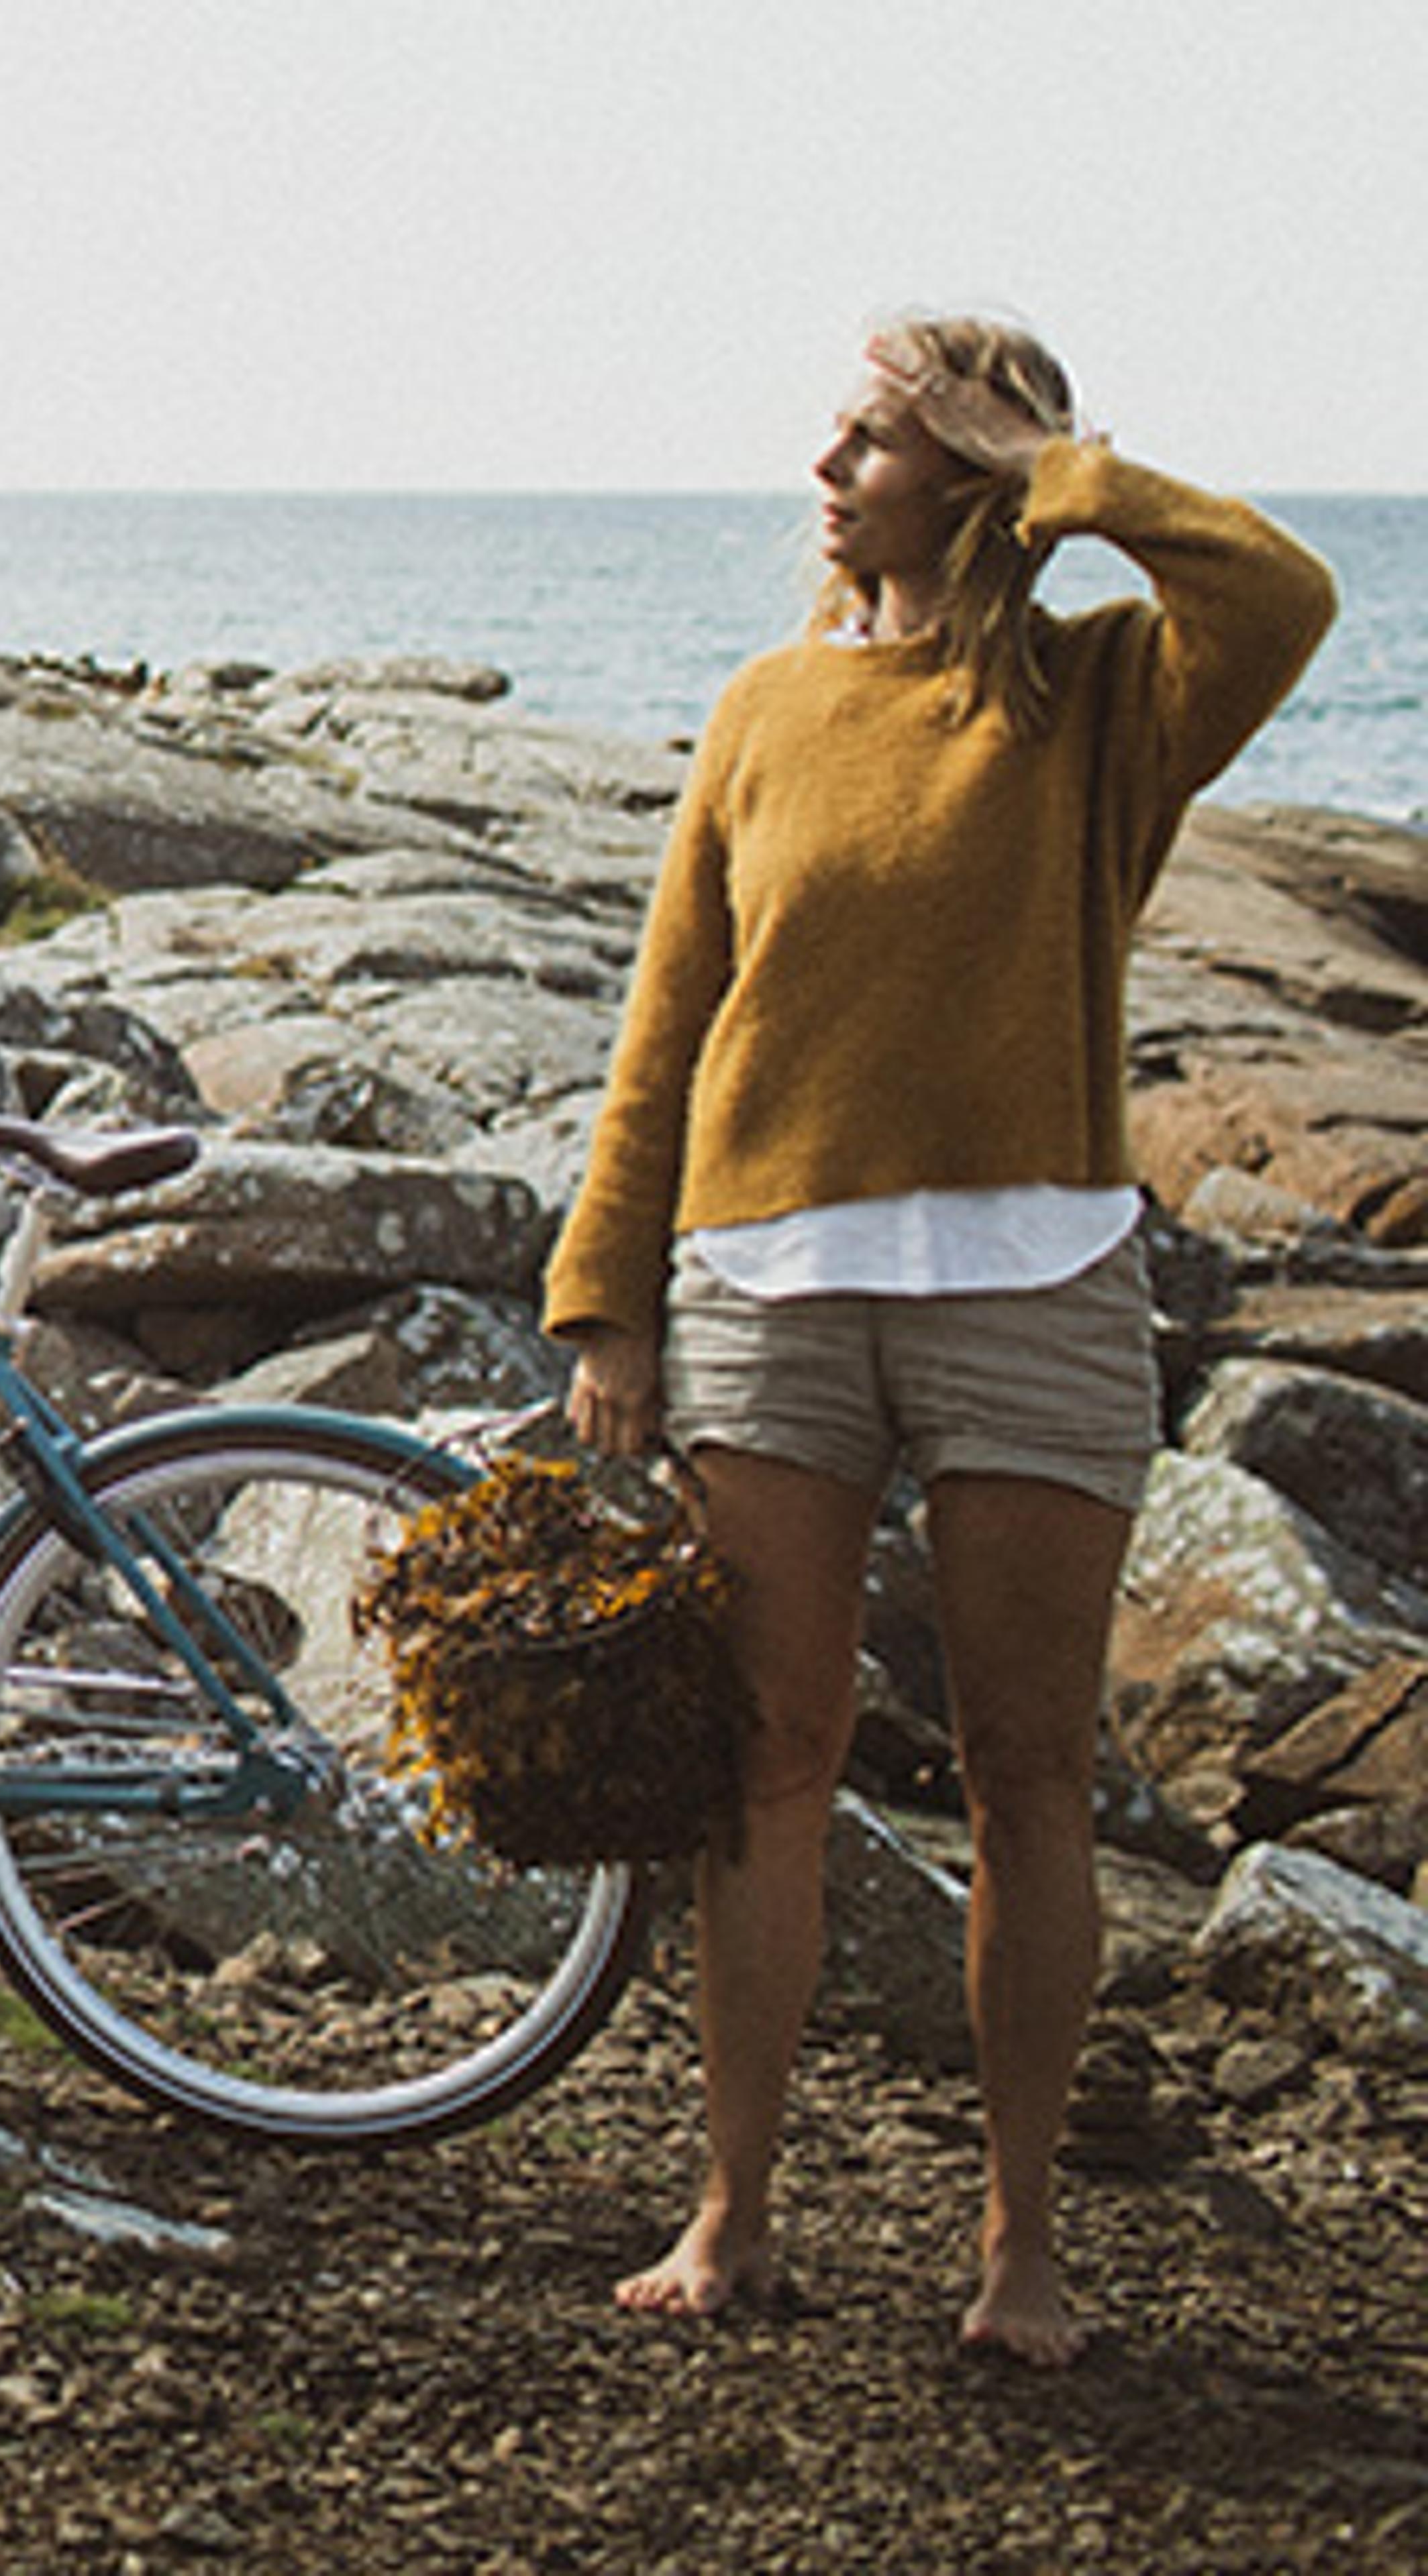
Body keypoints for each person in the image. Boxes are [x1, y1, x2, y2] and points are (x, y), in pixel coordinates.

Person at [544, 313, 1335, 2366]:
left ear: (975, 476)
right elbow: (671, 1025)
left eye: (877, 439)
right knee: (771, 1769)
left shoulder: (1098, 700)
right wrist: (606, 1292)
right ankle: (731, 2213)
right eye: (842, 431)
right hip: (766, 1301)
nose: (827, 466)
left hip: (1034, 1289)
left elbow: (1282, 587)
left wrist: (1062, 463)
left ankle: (1019, 2250)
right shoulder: (761, 710)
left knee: (1029, 1774)